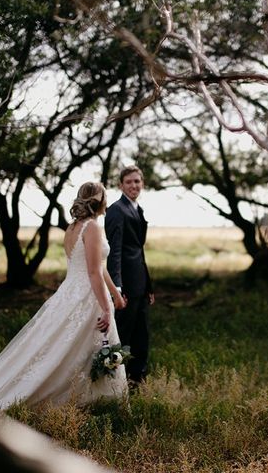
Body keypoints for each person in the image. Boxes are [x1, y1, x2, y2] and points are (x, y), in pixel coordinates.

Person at [0, 182, 128, 415]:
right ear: (101, 200)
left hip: (70, 291)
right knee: (70, 350)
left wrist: (115, 293)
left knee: (68, 346)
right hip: (86, 296)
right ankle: (74, 398)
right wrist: (106, 308)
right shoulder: (93, 227)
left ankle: (91, 398)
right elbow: (93, 272)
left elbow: (97, 266)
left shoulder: (73, 227)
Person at [105, 165, 154, 388]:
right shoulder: (116, 210)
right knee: (122, 333)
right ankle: (114, 381)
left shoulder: (138, 209)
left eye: (137, 181)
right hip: (125, 285)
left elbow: (139, 252)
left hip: (140, 284)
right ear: (120, 185)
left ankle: (138, 378)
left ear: (142, 183)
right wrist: (117, 287)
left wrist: (149, 286)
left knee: (141, 334)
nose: (134, 185)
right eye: (129, 182)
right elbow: (114, 251)